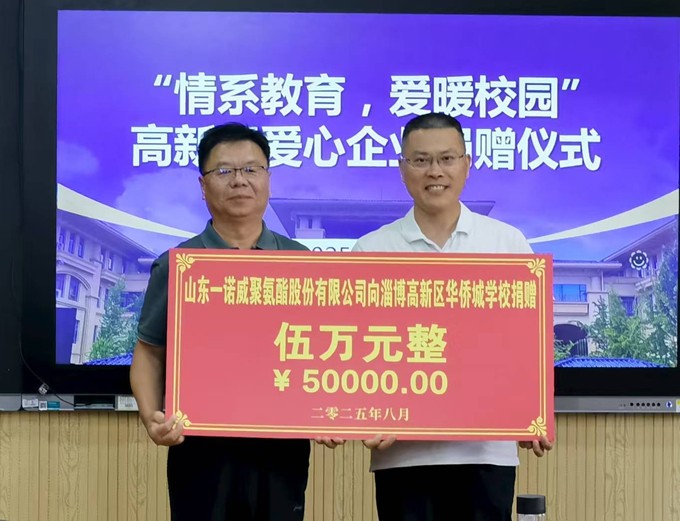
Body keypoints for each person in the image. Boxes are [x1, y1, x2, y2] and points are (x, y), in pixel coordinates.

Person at [317, 112, 553, 521]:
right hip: (403, 456)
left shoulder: (506, 243)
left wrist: (535, 409)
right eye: (421, 160)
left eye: (447, 159)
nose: (435, 171)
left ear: (467, 164)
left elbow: (528, 341)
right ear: (402, 168)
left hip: (486, 452)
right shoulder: (372, 250)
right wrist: (345, 412)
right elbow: (350, 345)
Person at [130, 123, 311, 521]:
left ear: (268, 178)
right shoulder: (178, 264)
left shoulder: (302, 262)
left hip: (281, 445)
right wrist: (151, 418)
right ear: (203, 185)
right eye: (224, 171)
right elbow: (149, 352)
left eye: (251, 169)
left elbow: (323, 348)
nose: (239, 181)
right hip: (201, 447)